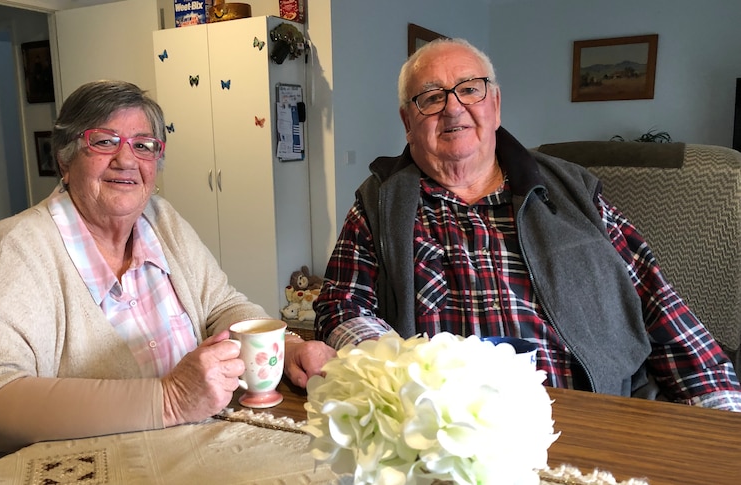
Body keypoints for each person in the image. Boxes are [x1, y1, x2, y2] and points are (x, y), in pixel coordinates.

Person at [0, 80, 315, 484]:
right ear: (65, 159)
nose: (127, 160)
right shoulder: (17, 247)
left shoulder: (162, 222)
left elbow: (222, 305)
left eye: (144, 146)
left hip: (160, 457)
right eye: (104, 142)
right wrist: (168, 400)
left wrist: (286, 347)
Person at [295, 38, 741, 411]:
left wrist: (721, 416)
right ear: (408, 123)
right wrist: (399, 374)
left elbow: (655, 300)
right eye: (431, 98)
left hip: (586, 411)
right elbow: (342, 305)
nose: (453, 109)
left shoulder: (574, 189)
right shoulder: (379, 201)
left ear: (496, 105)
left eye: (469, 89)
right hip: (442, 425)